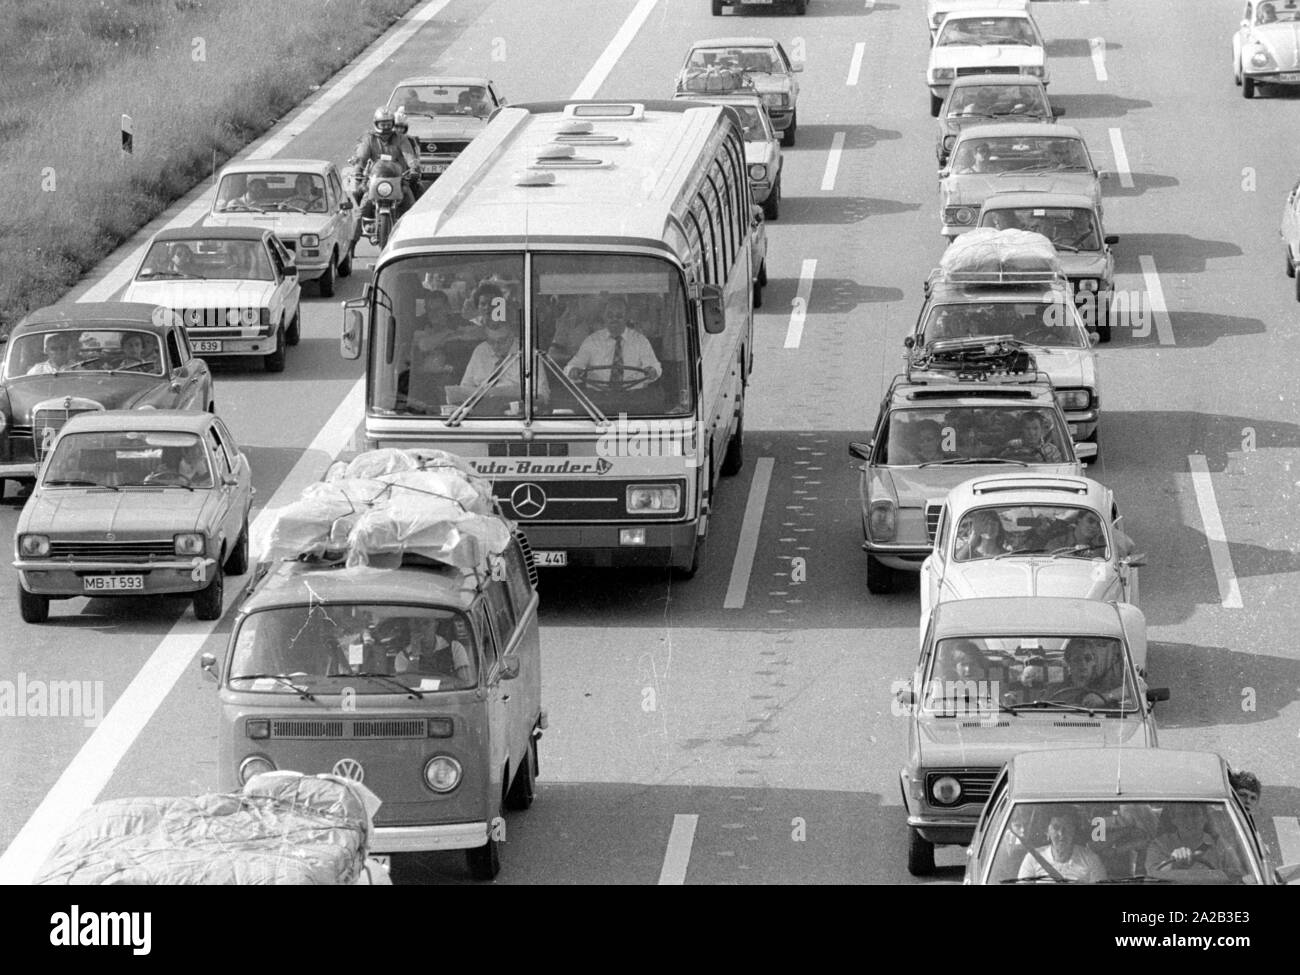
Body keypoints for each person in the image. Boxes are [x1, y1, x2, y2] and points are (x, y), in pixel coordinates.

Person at [348, 107, 418, 249]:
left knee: (412, 208)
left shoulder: (401, 138)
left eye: (388, 124)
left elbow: (409, 155)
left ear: (392, 123)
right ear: (376, 124)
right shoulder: (370, 139)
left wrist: (414, 168)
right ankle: (351, 246)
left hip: (398, 181)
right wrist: (358, 171)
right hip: (374, 181)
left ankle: (415, 242)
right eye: (382, 124)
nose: (385, 127)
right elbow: (361, 157)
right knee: (359, 212)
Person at [565, 296, 662, 389]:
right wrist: (574, 370)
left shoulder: (640, 341)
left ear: (627, 316)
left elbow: (653, 365)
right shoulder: (592, 341)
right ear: (604, 316)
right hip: (599, 396)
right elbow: (574, 364)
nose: (614, 319)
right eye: (610, 315)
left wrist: (652, 370)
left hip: (633, 396)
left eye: (619, 316)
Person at [1145, 804, 1245, 881]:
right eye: (1183, 815)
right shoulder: (1159, 844)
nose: (1189, 820)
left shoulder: (1220, 846)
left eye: (1195, 814)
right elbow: (1150, 876)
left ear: (1205, 818)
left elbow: (1236, 876)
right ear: (1173, 820)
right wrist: (1173, 865)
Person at [1018, 809, 1107, 882]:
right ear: (1047, 831)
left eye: (1067, 827)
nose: (1061, 833)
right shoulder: (1033, 858)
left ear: (1074, 830)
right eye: (1056, 827)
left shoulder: (1091, 860)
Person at [392, 108, 425, 199]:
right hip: (385, 174)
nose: (399, 130)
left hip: (404, 175)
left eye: (401, 127)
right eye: (396, 127)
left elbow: (416, 158)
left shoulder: (411, 140)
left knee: (418, 189)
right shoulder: (385, 139)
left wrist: (414, 169)